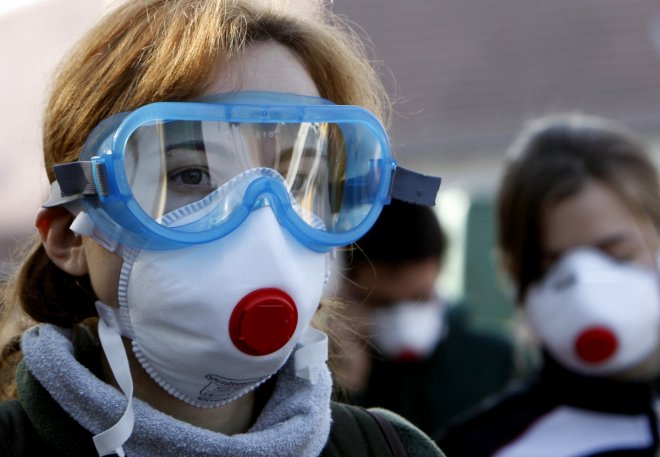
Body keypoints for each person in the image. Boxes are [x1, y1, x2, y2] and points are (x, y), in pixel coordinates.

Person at [0, 1, 446, 455]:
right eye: (191, 175)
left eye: (298, 179)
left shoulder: (392, 450)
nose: (265, 224)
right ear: (69, 234)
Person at [437, 113, 660, 456]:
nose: (587, 293)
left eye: (616, 254)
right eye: (553, 267)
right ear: (515, 277)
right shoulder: (482, 447)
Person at [331, 198, 522, 436]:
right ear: (348, 291)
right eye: (383, 303)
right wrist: (346, 386)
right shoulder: (326, 375)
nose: (402, 316)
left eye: (417, 298)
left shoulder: (496, 361)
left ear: (438, 268)